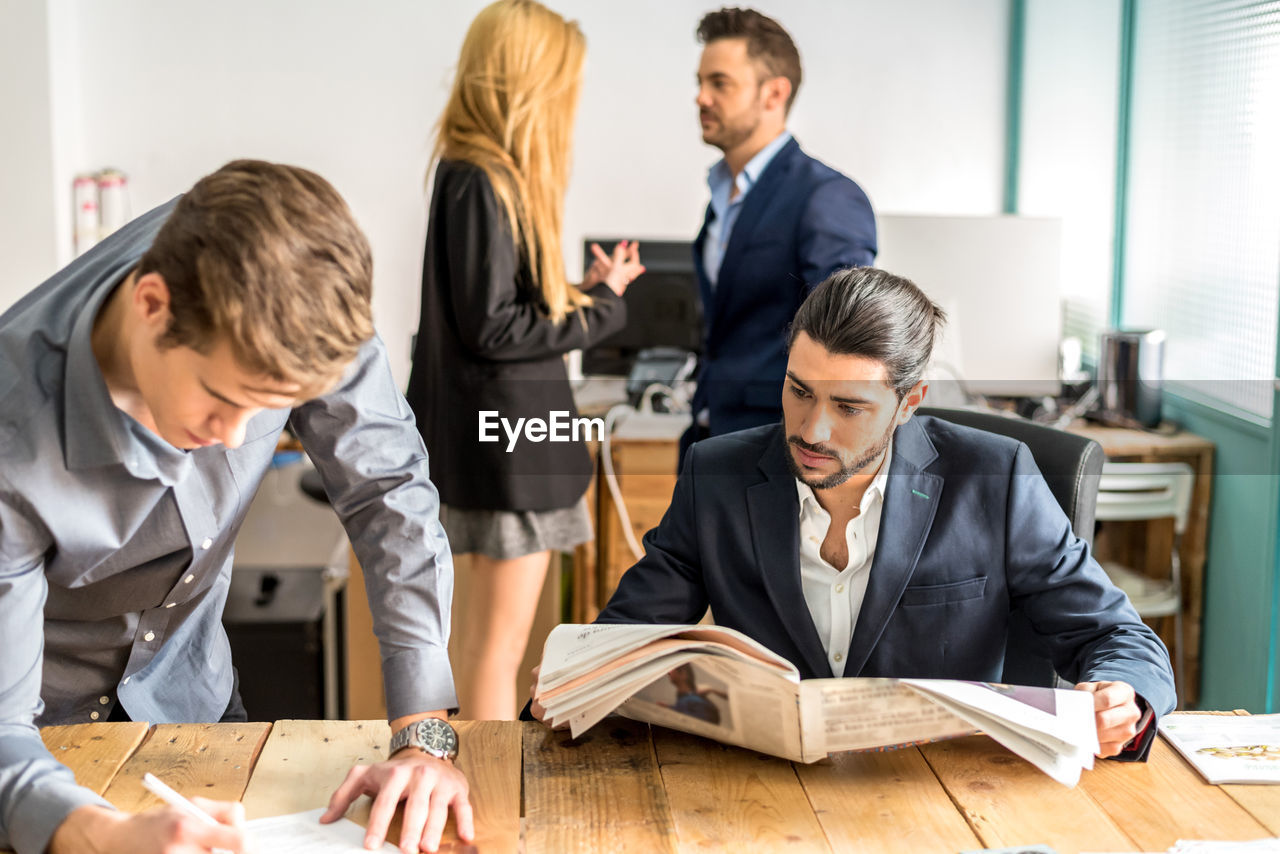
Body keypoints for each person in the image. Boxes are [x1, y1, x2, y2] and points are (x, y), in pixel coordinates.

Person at [0, 160, 472, 854]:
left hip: (194, 695)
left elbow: (387, 491)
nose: (233, 437)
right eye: (221, 399)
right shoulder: (12, 435)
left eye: (266, 409)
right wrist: (105, 834)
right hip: (44, 749)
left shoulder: (296, 284)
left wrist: (424, 736)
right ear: (151, 305)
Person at [552, 267, 1177, 760]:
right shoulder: (716, 476)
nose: (811, 429)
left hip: (942, 789)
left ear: (909, 403)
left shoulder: (998, 478)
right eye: (799, 391)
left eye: (849, 406)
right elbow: (625, 642)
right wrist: (574, 678)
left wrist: (1122, 698)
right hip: (763, 795)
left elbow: (1119, 637)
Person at [404, 0, 643, 721]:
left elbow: (496, 309)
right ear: (530, 82)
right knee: (495, 653)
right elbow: (496, 329)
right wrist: (604, 311)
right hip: (513, 451)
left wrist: (586, 291)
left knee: (484, 647)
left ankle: (475, 794)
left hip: (505, 446)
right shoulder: (484, 179)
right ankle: (486, 802)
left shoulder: (475, 174)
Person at [686, 7, 877, 456]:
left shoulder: (825, 197)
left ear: (774, 93)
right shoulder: (721, 195)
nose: (700, 98)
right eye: (700, 82)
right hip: (711, 434)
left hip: (776, 447)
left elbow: (843, 341)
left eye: (719, 83)